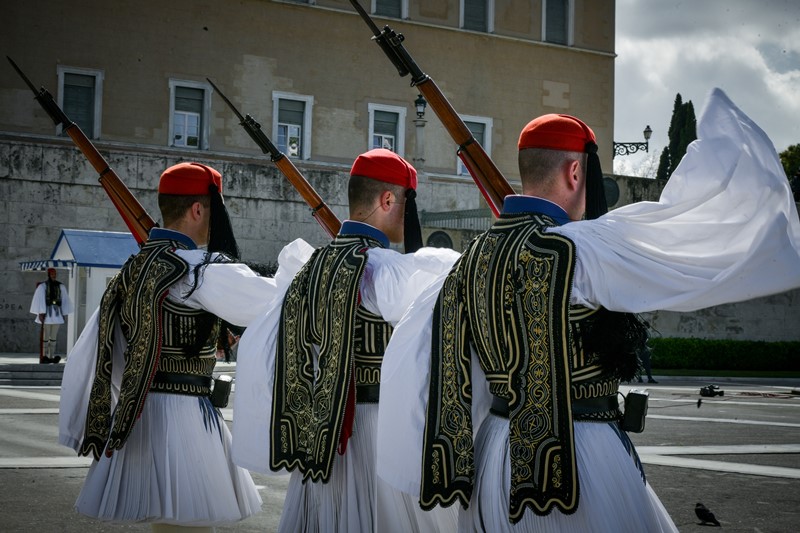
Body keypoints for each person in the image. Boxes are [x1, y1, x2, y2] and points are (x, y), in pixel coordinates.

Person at [376, 88, 800, 532]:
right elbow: (702, 236)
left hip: (493, 454)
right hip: (577, 455)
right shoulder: (582, 248)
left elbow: (415, 360)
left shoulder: (470, 262)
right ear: (576, 171)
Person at [58, 162, 310, 531]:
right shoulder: (198, 270)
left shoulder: (132, 271)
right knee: (189, 524)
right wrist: (303, 261)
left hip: (138, 416)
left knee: (166, 525)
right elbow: (280, 300)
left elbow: (93, 353)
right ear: (197, 209)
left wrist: (89, 424)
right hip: (186, 415)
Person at [231, 148, 460, 532]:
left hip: (321, 436)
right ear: (388, 200)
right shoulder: (382, 269)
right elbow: (444, 282)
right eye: (406, 203)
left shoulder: (310, 268)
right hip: (374, 430)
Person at [29, 267, 73, 363]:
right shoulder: (43, 286)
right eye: (52, 273)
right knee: (45, 337)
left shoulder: (60, 286)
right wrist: (41, 312)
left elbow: (64, 300)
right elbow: (40, 300)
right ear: (48, 274)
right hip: (47, 315)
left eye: (55, 273)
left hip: (56, 314)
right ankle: (44, 356)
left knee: (53, 337)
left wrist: (63, 313)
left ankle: (51, 356)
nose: (54, 275)